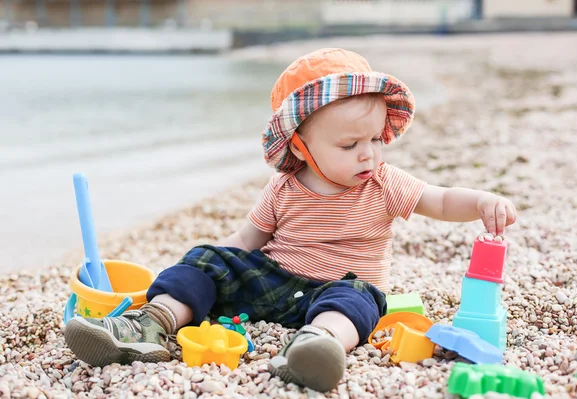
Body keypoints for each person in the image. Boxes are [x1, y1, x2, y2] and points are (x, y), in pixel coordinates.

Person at [64, 48, 516, 392]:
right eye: (349, 144)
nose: (369, 153)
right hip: (274, 283)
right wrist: (200, 270)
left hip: (338, 290)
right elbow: (246, 239)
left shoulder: (384, 182)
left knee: (359, 298)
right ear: (300, 147)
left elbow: (438, 200)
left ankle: (316, 346)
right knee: (207, 258)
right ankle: (149, 324)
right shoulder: (283, 188)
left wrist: (479, 202)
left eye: (376, 138)